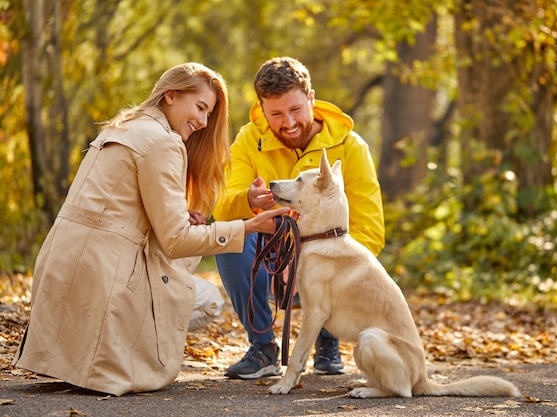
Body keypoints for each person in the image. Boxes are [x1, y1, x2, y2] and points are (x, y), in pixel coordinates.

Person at [12, 62, 289, 396]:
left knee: (177, 279)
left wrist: (178, 215)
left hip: (61, 268)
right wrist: (247, 227)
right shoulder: (164, 142)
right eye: (200, 108)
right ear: (170, 95)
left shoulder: (121, 126)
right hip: (103, 277)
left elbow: (117, 207)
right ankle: (117, 355)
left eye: (208, 113)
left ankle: (82, 354)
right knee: (207, 300)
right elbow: (175, 242)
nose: (203, 122)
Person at [213, 57, 385, 380]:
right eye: (275, 114)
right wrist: (248, 200)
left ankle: (327, 339)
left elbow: (370, 232)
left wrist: (312, 258)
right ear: (261, 109)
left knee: (340, 255)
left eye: (296, 110)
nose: (288, 122)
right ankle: (263, 347)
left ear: (311, 99)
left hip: (328, 266)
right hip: (271, 258)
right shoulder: (249, 141)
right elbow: (222, 208)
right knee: (227, 236)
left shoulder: (351, 146)